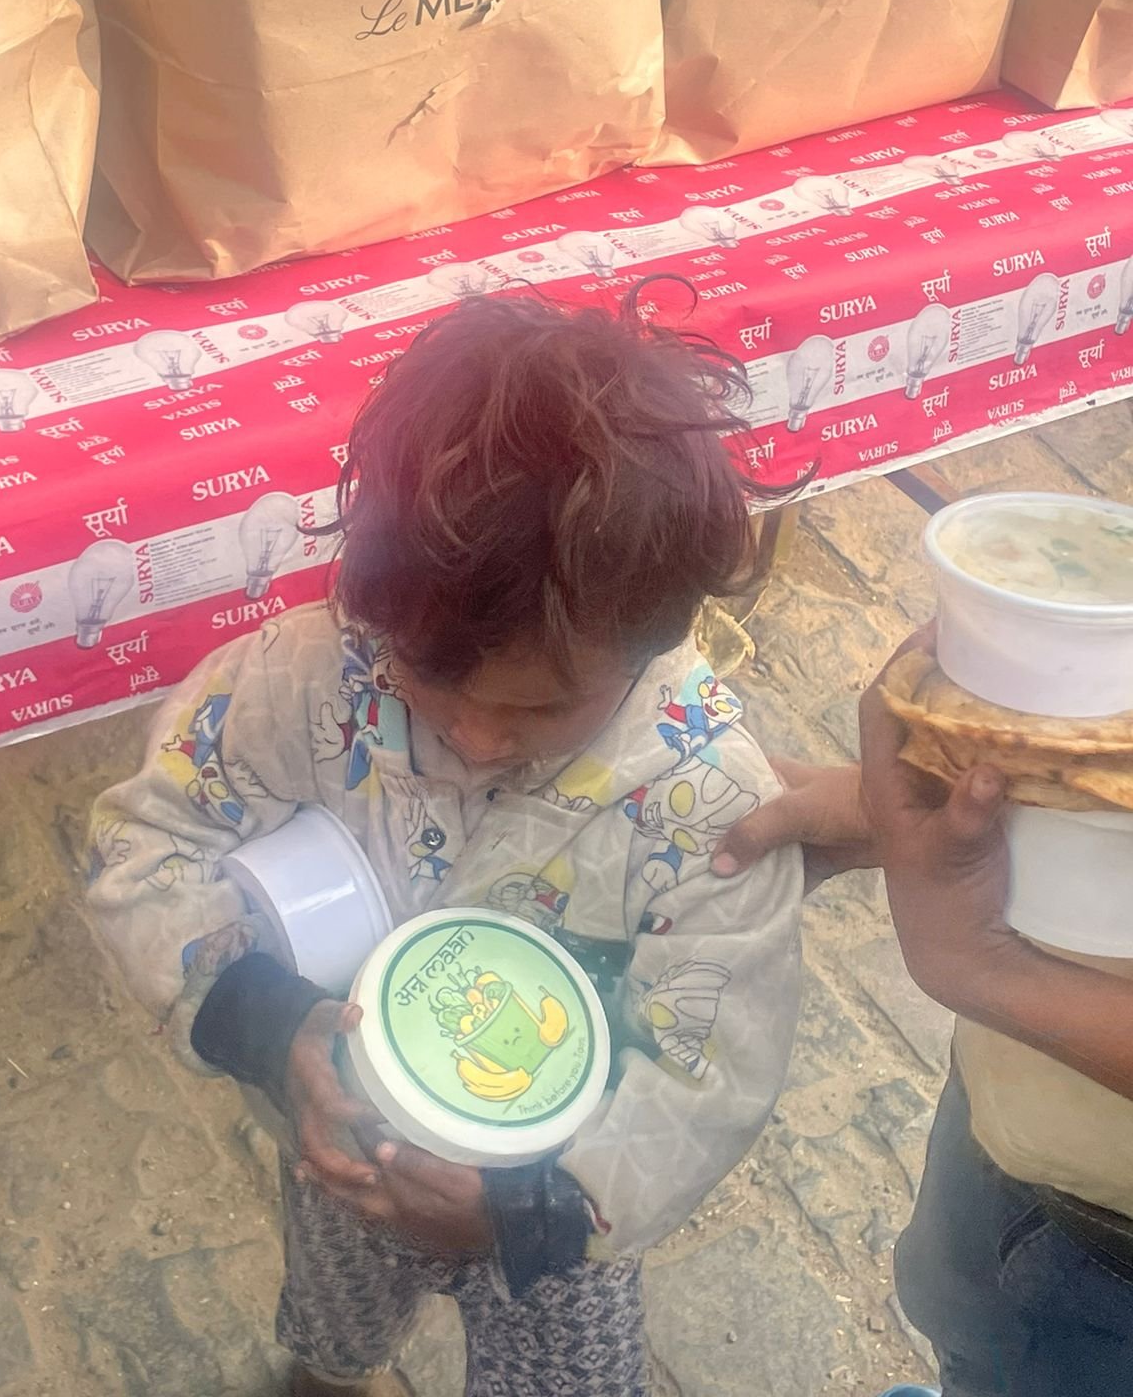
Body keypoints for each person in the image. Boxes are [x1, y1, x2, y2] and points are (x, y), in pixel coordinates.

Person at [87, 290, 804, 1397]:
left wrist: (539, 1207)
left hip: (553, 1221)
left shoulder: (706, 805)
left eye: (540, 708)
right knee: (332, 1330)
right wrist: (266, 1024)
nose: (474, 736)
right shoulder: (302, 679)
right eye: (430, 678)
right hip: (341, 1150)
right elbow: (148, 840)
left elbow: (711, 1070)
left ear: (650, 642)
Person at [715, 643, 1133, 1397]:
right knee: (954, 1309)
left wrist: (984, 970)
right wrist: (931, 814)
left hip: (1106, 1255)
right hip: (1014, 1093)